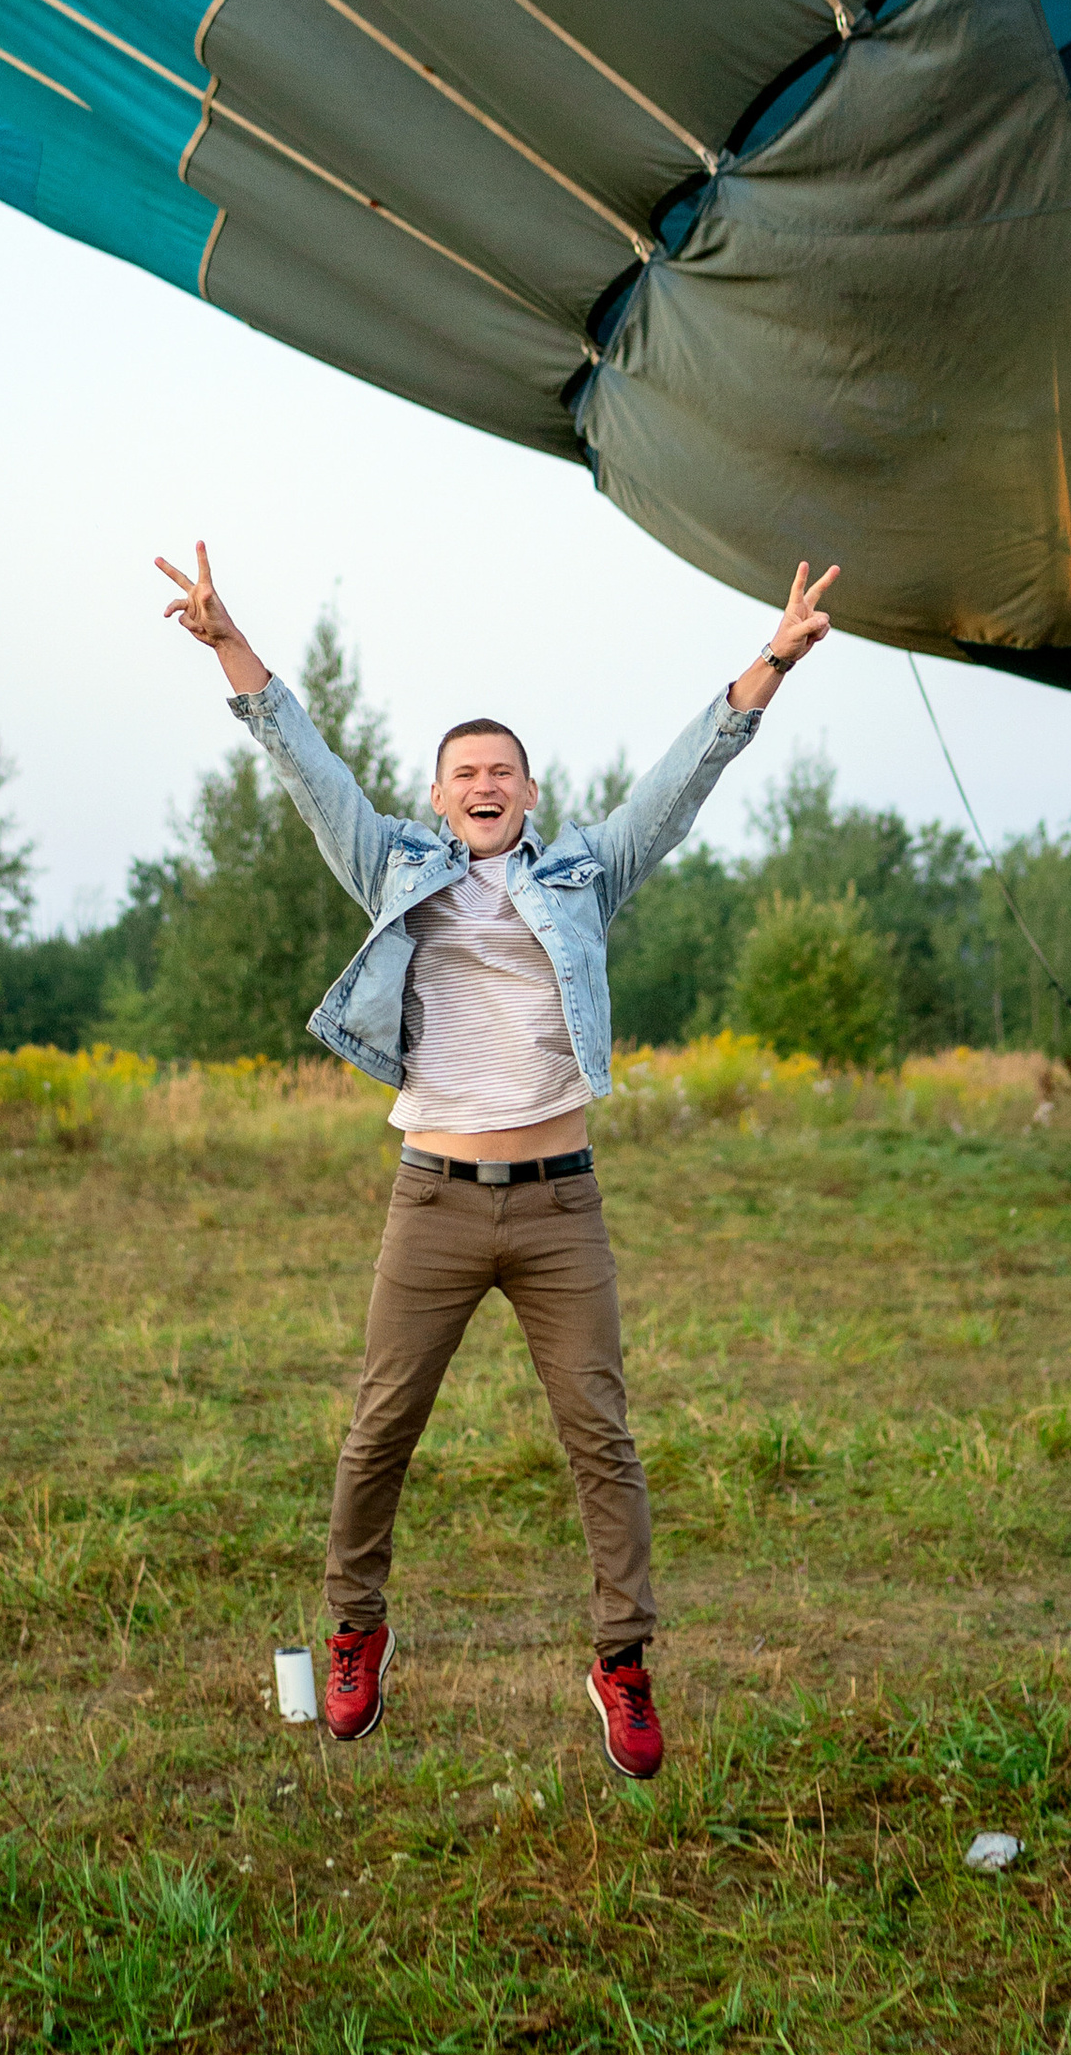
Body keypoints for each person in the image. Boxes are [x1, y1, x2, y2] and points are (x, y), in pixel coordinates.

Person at [155, 542, 838, 1779]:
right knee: (379, 1430)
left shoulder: (584, 876)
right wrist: (226, 642)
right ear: (437, 799)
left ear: (529, 793)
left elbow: (679, 786)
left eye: (502, 771)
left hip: (560, 1205)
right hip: (432, 1199)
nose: (483, 784)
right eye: (463, 772)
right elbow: (304, 765)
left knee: (601, 1438)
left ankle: (620, 1664)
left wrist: (771, 662)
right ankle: (357, 1634)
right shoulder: (392, 869)